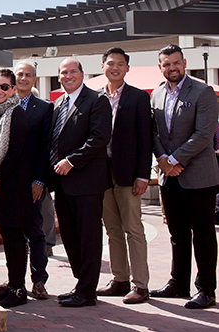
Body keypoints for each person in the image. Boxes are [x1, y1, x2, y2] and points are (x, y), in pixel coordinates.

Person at [149, 44, 219, 309]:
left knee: (202, 234)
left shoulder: (203, 92)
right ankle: (178, 284)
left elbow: (204, 134)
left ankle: (206, 289)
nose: (172, 68)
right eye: (166, 64)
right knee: (177, 234)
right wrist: (163, 161)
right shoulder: (155, 94)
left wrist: (175, 160)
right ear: (160, 67)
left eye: (176, 63)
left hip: (199, 175)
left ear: (184, 62)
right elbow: (153, 133)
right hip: (170, 176)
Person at [50, 57, 112, 308]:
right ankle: (81, 284)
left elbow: (99, 138)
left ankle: (87, 292)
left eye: (72, 71)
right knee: (70, 237)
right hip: (62, 184)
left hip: (86, 182)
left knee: (88, 237)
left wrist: (71, 161)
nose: (68, 76)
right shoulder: (58, 104)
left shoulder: (97, 100)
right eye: (63, 72)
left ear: (82, 74)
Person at [95, 48, 152, 304]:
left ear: (127, 68)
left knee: (133, 229)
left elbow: (146, 138)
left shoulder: (138, 98)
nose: (115, 67)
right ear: (103, 66)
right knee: (113, 229)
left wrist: (143, 174)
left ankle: (141, 285)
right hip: (102, 174)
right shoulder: (96, 98)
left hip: (129, 175)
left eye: (120, 64)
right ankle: (120, 279)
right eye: (110, 63)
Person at [0, 69, 29, 307]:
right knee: (7, 236)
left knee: (15, 237)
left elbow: (15, 152)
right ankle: (12, 284)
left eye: (4, 87)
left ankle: (19, 290)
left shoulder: (16, 113)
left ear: (13, 89)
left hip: (12, 187)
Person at [13, 60, 53, 300]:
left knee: (35, 232)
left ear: (34, 80)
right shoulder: (2, 105)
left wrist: (40, 180)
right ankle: (14, 278)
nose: (24, 78)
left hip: (32, 184)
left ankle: (39, 281)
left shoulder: (44, 108)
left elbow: (47, 147)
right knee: (13, 233)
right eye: (20, 74)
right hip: (8, 183)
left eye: (28, 75)